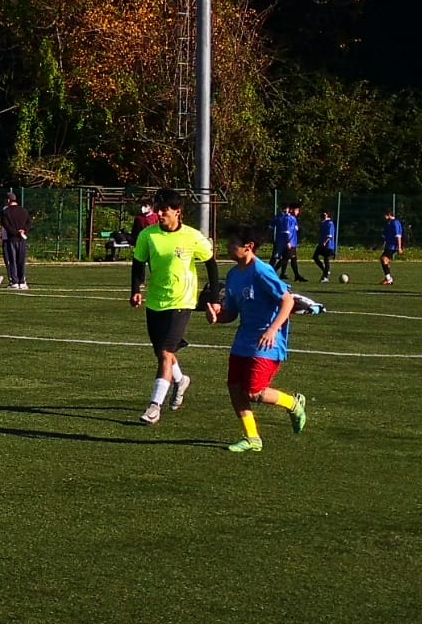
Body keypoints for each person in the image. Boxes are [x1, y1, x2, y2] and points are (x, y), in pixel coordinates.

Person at [210, 223, 309, 453]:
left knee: (254, 392)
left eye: (233, 243)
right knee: (235, 387)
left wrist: (273, 329)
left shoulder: (262, 271)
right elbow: (232, 313)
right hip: (244, 340)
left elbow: (288, 301)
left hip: (267, 342)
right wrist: (217, 316)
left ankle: (293, 404)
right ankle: (252, 438)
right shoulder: (234, 275)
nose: (228, 246)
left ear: (248, 247)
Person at [130, 187, 221, 425]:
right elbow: (138, 264)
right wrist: (136, 290)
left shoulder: (192, 237)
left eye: (164, 209)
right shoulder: (147, 236)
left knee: (165, 353)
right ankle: (180, 380)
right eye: (157, 208)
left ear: (178, 212)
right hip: (155, 301)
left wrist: (213, 298)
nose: (159, 213)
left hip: (183, 301)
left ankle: (154, 406)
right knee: (162, 352)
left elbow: (211, 265)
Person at [0, 192, 32, 290]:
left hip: (12, 239)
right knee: (21, 260)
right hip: (22, 239)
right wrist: (24, 231)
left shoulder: (6, 212)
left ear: (8, 200)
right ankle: (22, 281)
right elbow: (29, 222)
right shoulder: (24, 210)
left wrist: (15, 232)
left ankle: (14, 281)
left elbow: (6, 226)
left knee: (12, 260)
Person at [272, 201, 309, 284]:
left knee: (293, 259)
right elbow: (287, 231)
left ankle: (297, 276)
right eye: (297, 210)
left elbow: (295, 230)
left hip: (293, 242)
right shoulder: (288, 218)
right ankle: (272, 272)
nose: (298, 212)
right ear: (292, 210)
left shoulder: (293, 218)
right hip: (288, 242)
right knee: (285, 259)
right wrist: (288, 241)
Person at [381, 209, 404, 286]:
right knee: (386, 261)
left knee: (384, 259)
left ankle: (389, 279)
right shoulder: (389, 223)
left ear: (388, 214)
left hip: (393, 247)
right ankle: (388, 277)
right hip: (389, 246)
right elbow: (385, 236)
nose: (384, 217)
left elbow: (398, 236)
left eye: (385, 215)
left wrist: (399, 247)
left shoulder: (395, 223)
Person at [314, 210, 337, 283]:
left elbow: (330, 235)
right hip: (321, 244)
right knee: (315, 257)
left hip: (328, 245)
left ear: (328, 216)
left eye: (324, 215)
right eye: (322, 216)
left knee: (326, 259)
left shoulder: (330, 223)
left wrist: (325, 242)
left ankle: (325, 277)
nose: (323, 217)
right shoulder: (323, 223)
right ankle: (325, 271)